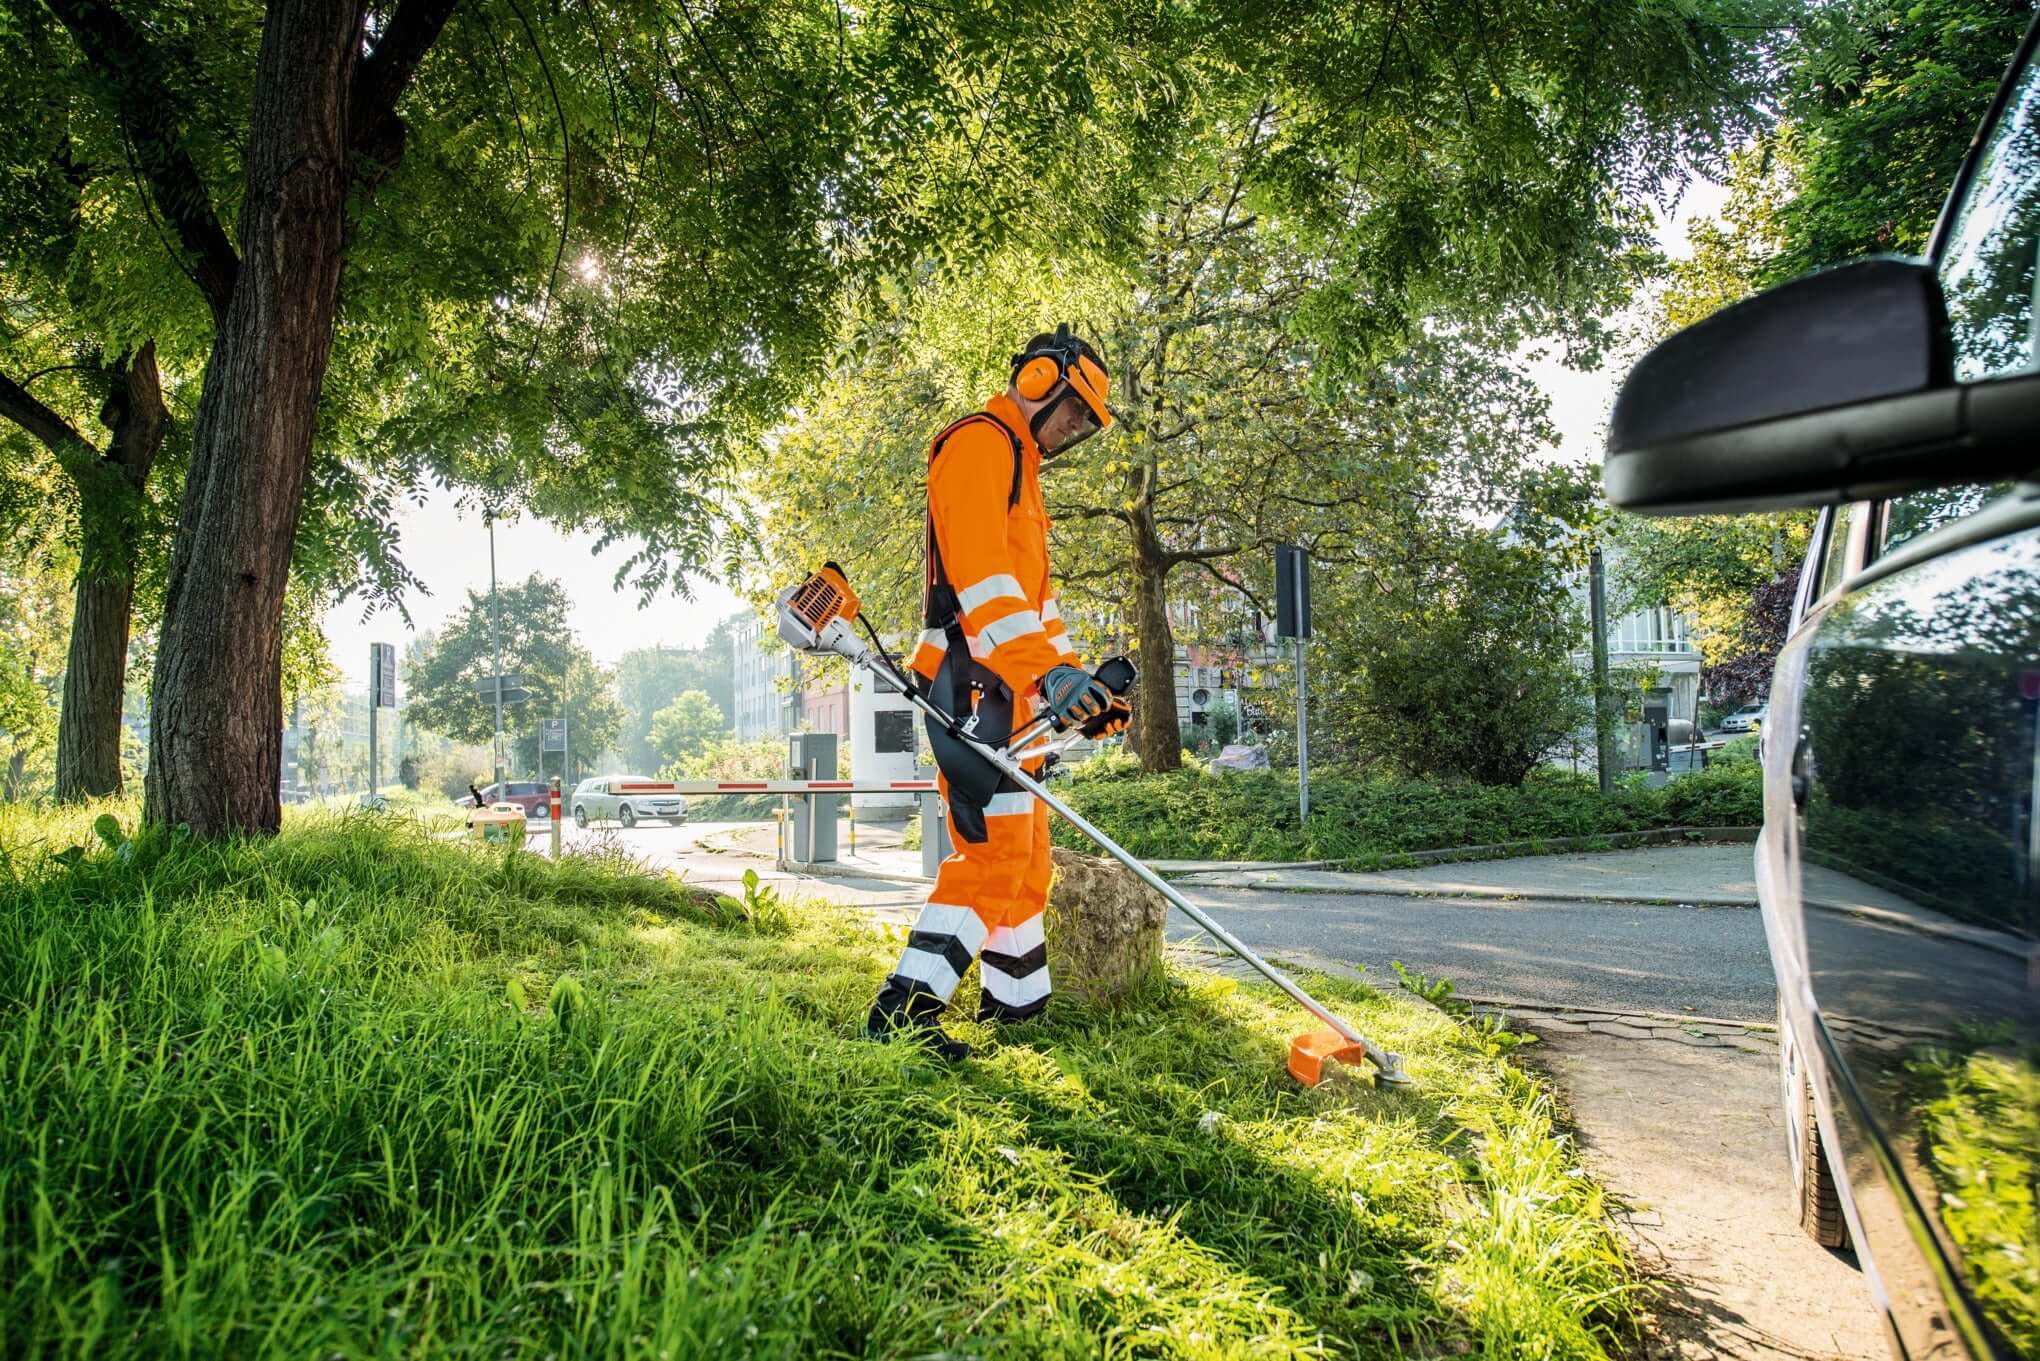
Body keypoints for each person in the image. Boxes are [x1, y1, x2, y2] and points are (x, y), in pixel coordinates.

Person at [865, 325, 1130, 1059]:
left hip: (1012, 688)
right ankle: (901, 1010)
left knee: (1028, 858)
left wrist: (1078, 685)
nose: (1077, 428)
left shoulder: (1022, 467)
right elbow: (984, 584)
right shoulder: (979, 445)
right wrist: (1047, 675)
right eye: (1076, 410)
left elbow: (1033, 606)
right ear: (1041, 379)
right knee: (992, 858)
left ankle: (1017, 1012)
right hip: (971, 685)